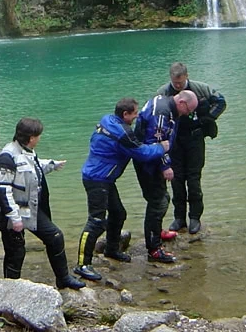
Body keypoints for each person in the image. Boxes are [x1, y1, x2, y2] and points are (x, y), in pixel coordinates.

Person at [74, 98, 170, 281]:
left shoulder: (108, 119)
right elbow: (142, 154)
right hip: (97, 180)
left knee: (118, 213)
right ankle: (82, 265)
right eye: (134, 113)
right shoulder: (122, 133)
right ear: (125, 114)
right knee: (95, 221)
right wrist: (161, 147)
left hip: (104, 178)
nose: (137, 116)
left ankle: (111, 249)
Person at [0, 118, 86, 290]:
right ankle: (9, 288)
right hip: (11, 215)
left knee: (55, 237)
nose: (40, 139)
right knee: (15, 252)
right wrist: (15, 218)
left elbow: (32, 168)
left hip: (30, 209)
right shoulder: (7, 157)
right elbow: (2, 191)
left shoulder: (27, 150)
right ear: (31, 137)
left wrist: (51, 165)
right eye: (38, 136)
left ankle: (63, 278)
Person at [158, 62, 226, 235]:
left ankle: (195, 217)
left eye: (180, 82)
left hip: (195, 138)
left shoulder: (201, 88)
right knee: (176, 179)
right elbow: (157, 112)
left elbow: (221, 101)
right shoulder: (164, 92)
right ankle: (179, 217)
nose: (178, 85)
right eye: (175, 82)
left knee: (194, 179)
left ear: (186, 76)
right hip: (175, 141)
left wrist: (209, 118)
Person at [133, 90, 198, 263]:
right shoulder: (161, 113)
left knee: (161, 197)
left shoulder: (166, 105)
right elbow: (155, 142)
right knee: (158, 201)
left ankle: (157, 231)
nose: (188, 114)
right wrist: (165, 166)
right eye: (188, 110)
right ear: (182, 102)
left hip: (150, 158)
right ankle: (154, 249)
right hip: (147, 161)